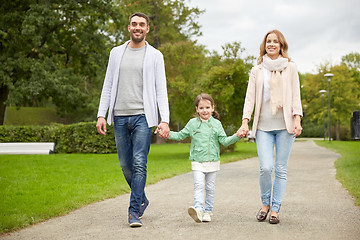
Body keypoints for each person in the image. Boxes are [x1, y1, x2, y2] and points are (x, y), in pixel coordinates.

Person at [96, 12, 170, 228]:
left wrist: (164, 119)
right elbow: (108, 84)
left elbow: (160, 89)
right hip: (119, 116)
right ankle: (142, 197)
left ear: (148, 29)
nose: (138, 27)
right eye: (134, 24)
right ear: (129, 27)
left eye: (142, 24)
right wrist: (102, 113)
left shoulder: (155, 55)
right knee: (125, 165)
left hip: (142, 117)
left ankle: (133, 211)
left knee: (139, 163)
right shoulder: (116, 53)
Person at [236, 30, 302, 224]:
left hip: (285, 126)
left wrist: (297, 119)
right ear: (264, 45)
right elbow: (250, 98)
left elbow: (296, 95)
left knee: (280, 169)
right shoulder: (257, 70)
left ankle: (275, 209)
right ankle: (265, 203)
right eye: (268, 41)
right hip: (263, 126)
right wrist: (245, 120)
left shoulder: (290, 67)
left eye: (275, 42)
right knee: (265, 168)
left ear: (281, 45)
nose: (271, 44)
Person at [158, 93, 240, 223]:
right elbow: (180, 135)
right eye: (201, 108)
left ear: (212, 108)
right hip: (197, 160)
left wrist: (237, 135)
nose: (204, 110)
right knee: (198, 185)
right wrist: (167, 134)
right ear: (197, 109)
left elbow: (224, 141)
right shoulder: (192, 124)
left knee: (210, 187)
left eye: (207, 107)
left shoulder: (217, 124)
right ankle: (198, 209)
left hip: (212, 160)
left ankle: (208, 211)